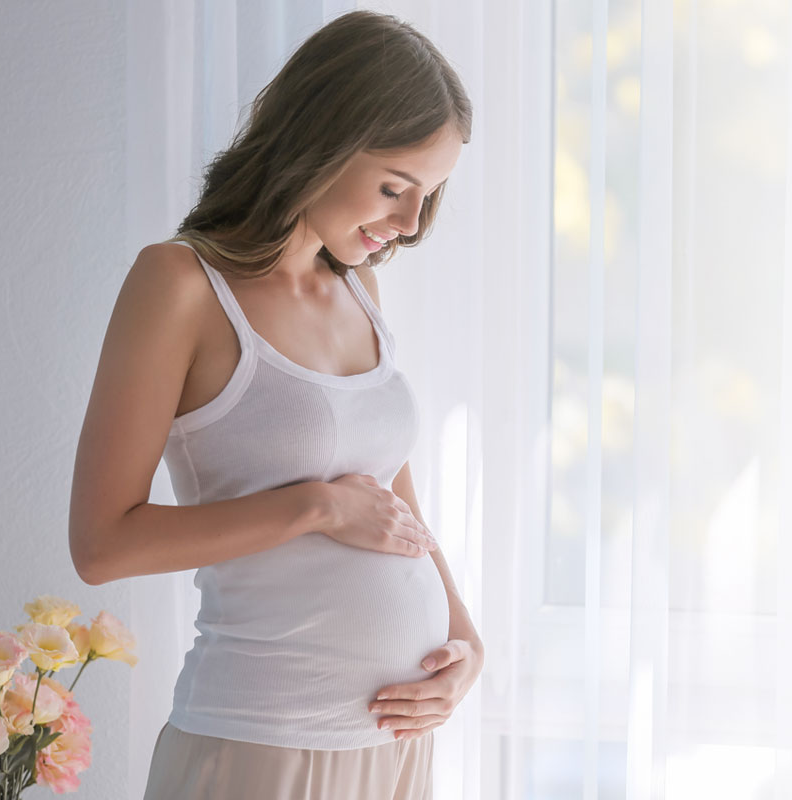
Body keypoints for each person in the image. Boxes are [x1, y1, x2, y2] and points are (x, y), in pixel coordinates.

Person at [67, 10, 483, 799]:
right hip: (262, 742)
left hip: (396, 746)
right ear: (318, 140)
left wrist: (464, 641)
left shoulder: (360, 286)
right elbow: (102, 545)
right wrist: (315, 508)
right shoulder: (181, 286)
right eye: (395, 187)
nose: (409, 224)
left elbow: (392, 501)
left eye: (428, 196)